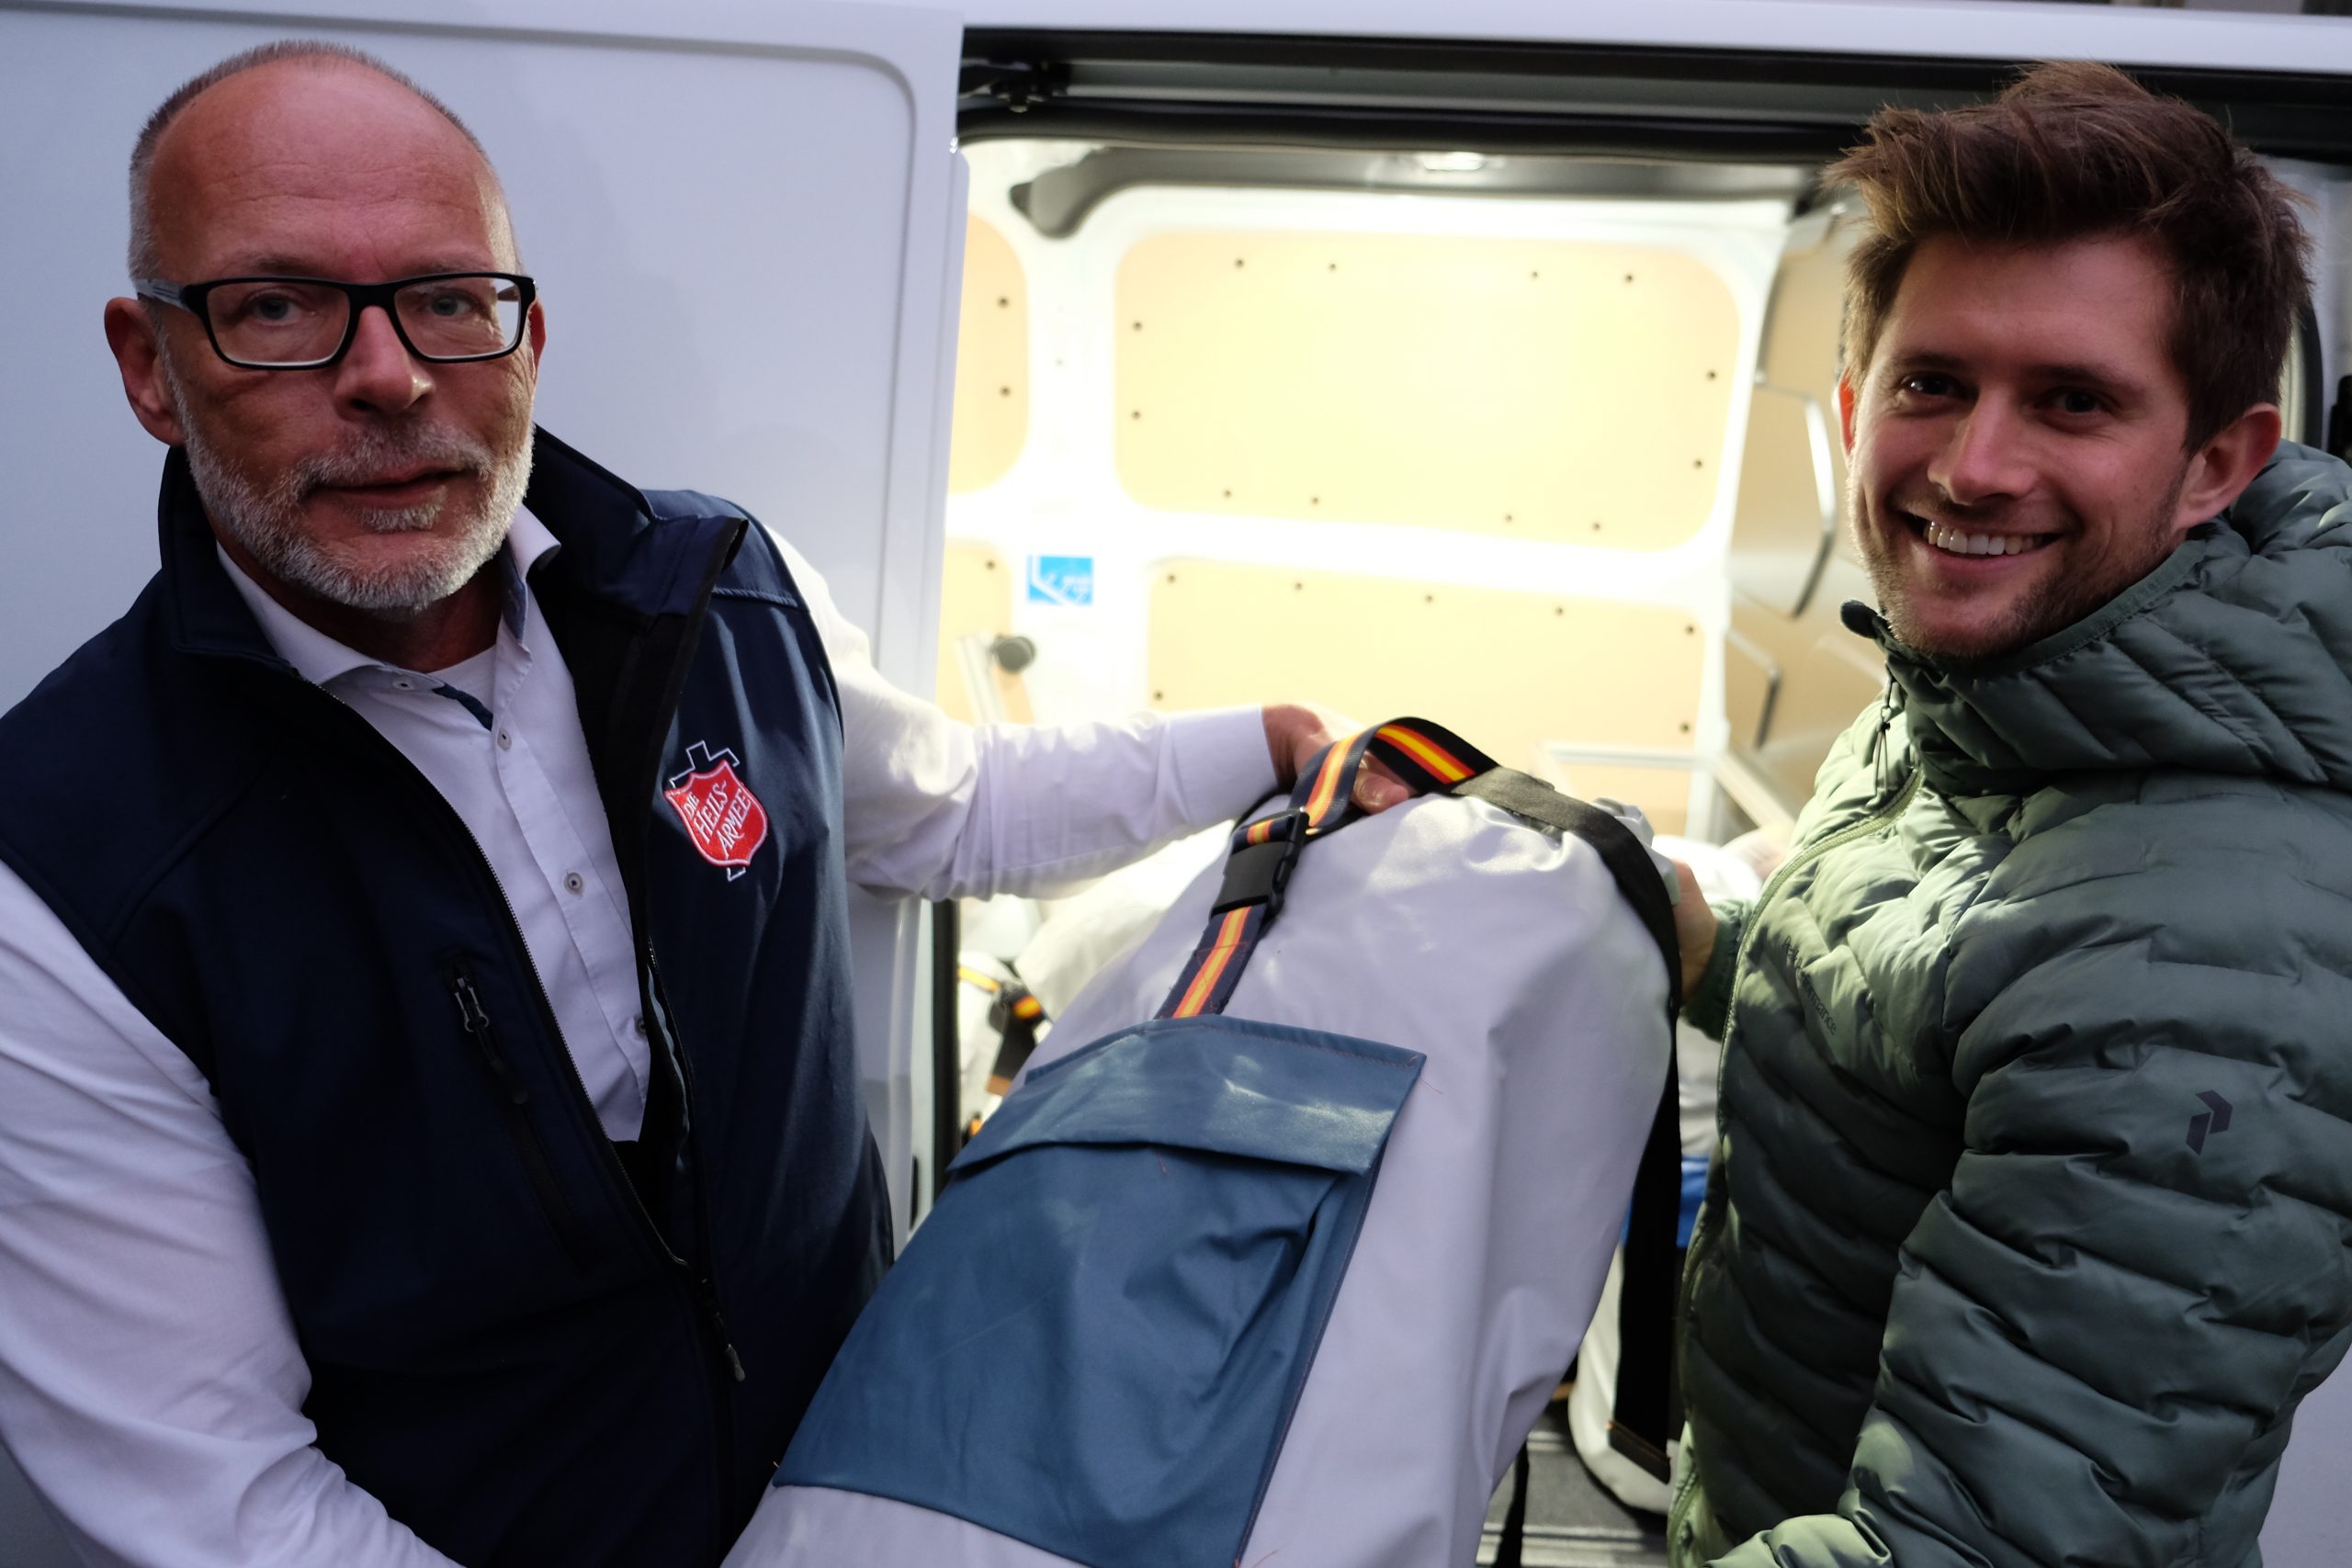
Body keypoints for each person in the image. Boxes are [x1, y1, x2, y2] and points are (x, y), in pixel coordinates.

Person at [0, 41, 1396, 1568]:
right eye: (278, 308)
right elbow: (222, 1498)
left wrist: (1266, 749)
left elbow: (947, 809)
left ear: (528, 338)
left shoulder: (717, 596)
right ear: (151, 365)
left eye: (449, 300)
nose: (389, 375)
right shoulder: (68, 875)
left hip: (864, 1498)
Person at [1667, 62, 2352, 1567]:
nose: (1975, 467)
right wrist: (1702, 939)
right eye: (1932, 384)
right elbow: (1927, 1019)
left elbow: (1974, 1548)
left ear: (2216, 465)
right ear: (1853, 409)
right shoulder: (2012, 691)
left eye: (2073, 401)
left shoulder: (2215, 974)